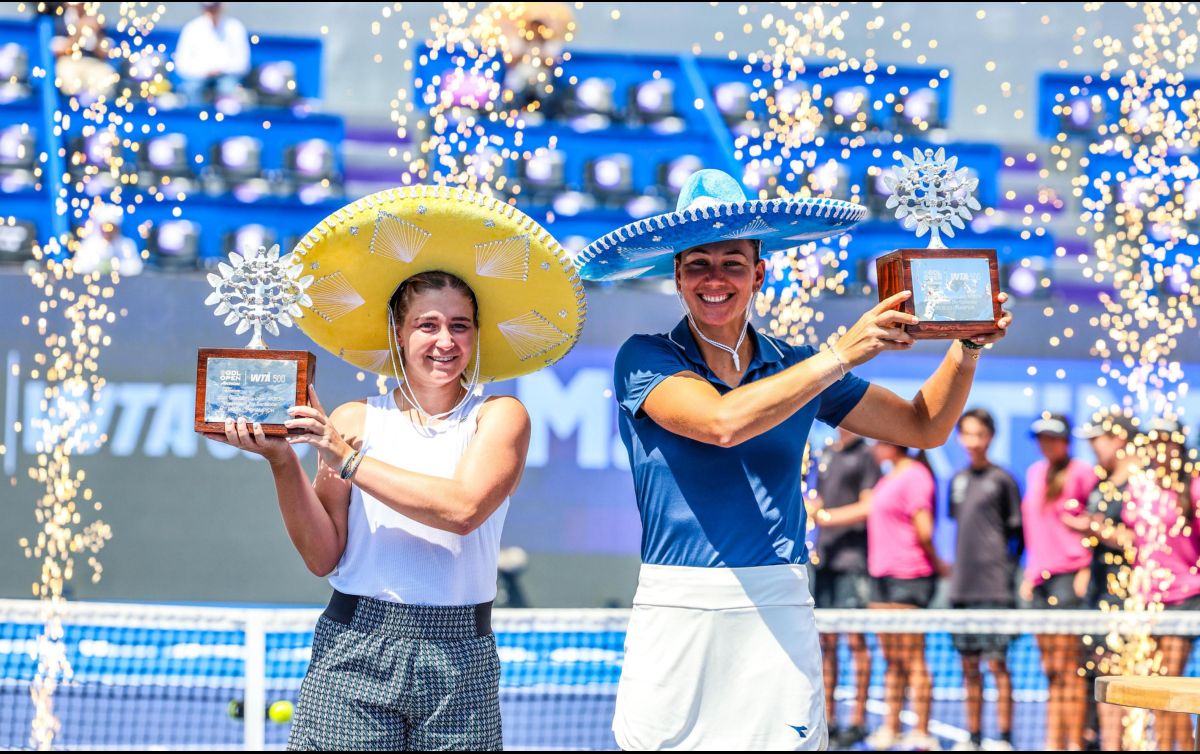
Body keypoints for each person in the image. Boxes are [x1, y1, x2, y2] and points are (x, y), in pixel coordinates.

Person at [576, 167, 1012, 750]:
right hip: (678, 605)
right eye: (698, 264)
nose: (715, 279)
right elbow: (722, 424)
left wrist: (967, 345)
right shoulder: (646, 356)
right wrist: (839, 354)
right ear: (676, 277)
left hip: (779, 603)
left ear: (758, 273)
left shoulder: (797, 364)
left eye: (732, 263)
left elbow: (923, 426)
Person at [208, 186, 586, 751]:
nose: (444, 341)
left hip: (461, 658)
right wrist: (283, 461)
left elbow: (462, 510)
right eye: (427, 325)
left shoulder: (501, 416)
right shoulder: (354, 418)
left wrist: (349, 458)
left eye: (459, 325)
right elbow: (322, 557)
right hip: (353, 643)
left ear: (476, 335)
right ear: (399, 333)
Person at [1019, 413, 1098, 753]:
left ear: (1066, 441)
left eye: (1053, 437)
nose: (1046, 444)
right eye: (1042, 437)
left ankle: (1076, 743)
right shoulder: (1035, 473)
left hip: (1070, 578)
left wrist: (1086, 570)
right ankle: (1054, 742)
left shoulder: (1083, 472)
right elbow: (1035, 529)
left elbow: (1096, 521)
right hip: (1040, 580)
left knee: (1070, 671)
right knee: (1051, 670)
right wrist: (1029, 573)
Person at [861, 441, 944, 751]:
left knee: (913, 659)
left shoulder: (917, 475)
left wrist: (938, 565)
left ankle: (920, 731)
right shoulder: (887, 478)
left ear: (893, 445)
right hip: (881, 576)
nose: (873, 446)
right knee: (892, 660)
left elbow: (924, 530)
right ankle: (891, 728)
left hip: (909, 576)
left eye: (879, 440)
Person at [1123, 417, 1200, 751]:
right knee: (1156, 681)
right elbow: (1131, 537)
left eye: (1168, 442)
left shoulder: (1194, 486)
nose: (1161, 448)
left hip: (1185, 594)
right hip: (1147, 598)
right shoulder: (1137, 486)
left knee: (1171, 678)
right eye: (1155, 441)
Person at [947, 408, 1022, 752]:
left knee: (997, 665)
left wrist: (1006, 574)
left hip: (994, 591)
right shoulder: (957, 481)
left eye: (980, 434)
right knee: (969, 668)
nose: (973, 442)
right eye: (967, 434)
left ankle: (1004, 738)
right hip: (962, 588)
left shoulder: (1003, 480)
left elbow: (1017, 536)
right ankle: (974, 737)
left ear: (990, 437)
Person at [1071, 408, 1137, 751]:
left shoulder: (1138, 484)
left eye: (1098, 439)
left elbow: (1136, 541)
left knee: (1117, 676)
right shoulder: (1102, 483)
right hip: (1097, 594)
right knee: (1095, 674)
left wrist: (1093, 527)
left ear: (1118, 438)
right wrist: (1085, 567)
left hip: (1125, 598)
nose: (1093, 447)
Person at [808, 428, 879, 749]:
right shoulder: (828, 453)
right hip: (825, 561)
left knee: (856, 641)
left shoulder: (866, 456)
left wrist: (825, 517)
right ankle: (829, 718)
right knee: (826, 644)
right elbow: (818, 501)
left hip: (853, 562)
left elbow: (868, 507)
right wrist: (811, 512)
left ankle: (858, 720)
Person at [173, 3, 251, 107]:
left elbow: (243, 64)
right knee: (191, 89)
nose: (211, 11)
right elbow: (181, 64)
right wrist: (204, 71)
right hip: (197, 78)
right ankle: (195, 121)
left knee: (228, 90)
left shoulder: (235, 28)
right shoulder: (191, 28)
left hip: (227, 78)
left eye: (215, 7)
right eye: (208, 8)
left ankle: (225, 122)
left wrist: (221, 69)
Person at [73, 203, 143, 276]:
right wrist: (99, 266)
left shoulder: (126, 245)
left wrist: (116, 267)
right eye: (105, 227)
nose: (108, 231)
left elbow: (136, 267)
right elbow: (79, 266)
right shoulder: (89, 244)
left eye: (111, 227)